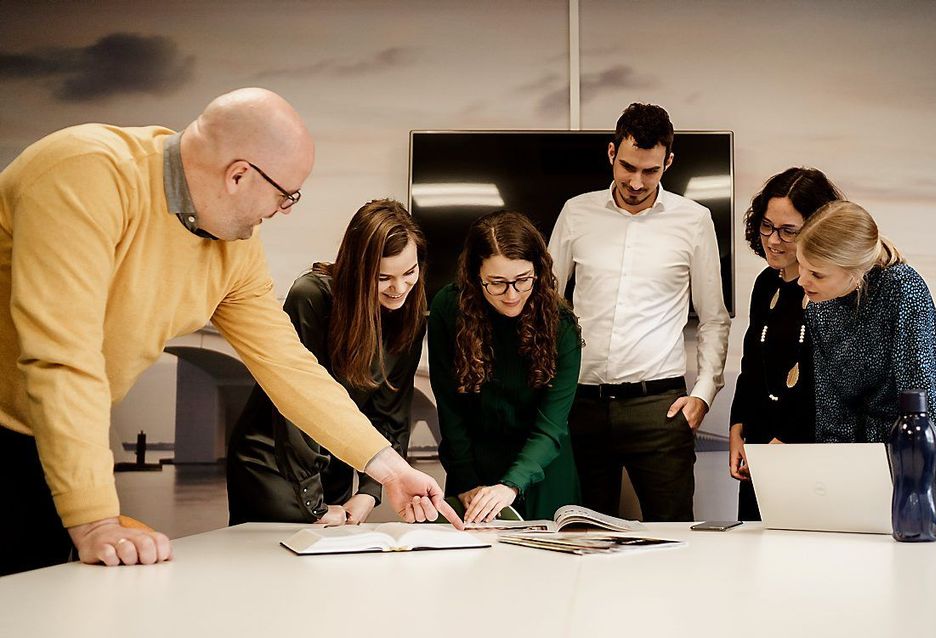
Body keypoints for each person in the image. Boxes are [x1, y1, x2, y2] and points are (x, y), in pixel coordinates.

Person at [0, 88, 459, 576]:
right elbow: (64, 356)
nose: (286, 209)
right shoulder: (85, 173)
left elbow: (290, 368)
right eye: (287, 195)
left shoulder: (234, 247)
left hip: (54, 435)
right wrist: (95, 520)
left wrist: (388, 468)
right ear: (239, 174)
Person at [548, 103, 730, 521]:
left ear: (668, 161)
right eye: (627, 166)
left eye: (650, 171)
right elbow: (545, 304)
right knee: (580, 539)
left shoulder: (694, 219)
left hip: (660, 407)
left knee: (674, 537)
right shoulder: (576, 212)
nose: (635, 182)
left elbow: (714, 317)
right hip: (580, 404)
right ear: (611, 153)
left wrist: (703, 394)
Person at [227, 199, 427, 526]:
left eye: (410, 272)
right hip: (271, 463)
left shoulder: (410, 315)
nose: (399, 288)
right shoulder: (312, 296)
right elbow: (295, 399)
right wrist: (313, 503)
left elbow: (391, 412)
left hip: (337, 463)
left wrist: (371, 490)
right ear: (358, 269)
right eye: (383, 278)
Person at [796, 200, 936, 531]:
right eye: (801, 267)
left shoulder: (902, 287)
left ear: (854, 271)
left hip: (923, 453)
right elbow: (832, 407)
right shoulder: (818, 308)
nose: (802, 281)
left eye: (815, 273)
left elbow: (922, 399)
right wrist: (833, 487)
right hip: (867, 462)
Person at [428, 210, 582, 523]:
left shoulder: (561, 325)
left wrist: (511, 485)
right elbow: (449, 405)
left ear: (538, 271)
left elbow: (551, 426)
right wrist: (467, 480)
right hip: (472, 469)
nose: (512, 295)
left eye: (523, 280)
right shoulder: (448, 308)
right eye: (497, 283)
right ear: (475, 275)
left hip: (542, 471)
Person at [728, 168, 844, 521]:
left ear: (816, 229)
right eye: (766, 225)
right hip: (760, 452)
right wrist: (738, 427)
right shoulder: (766, 284)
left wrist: (787, 441)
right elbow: (752, 365)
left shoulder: (833, 292)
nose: (773, 240)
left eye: (788, 231)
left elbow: (831, 384)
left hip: (808, 455)